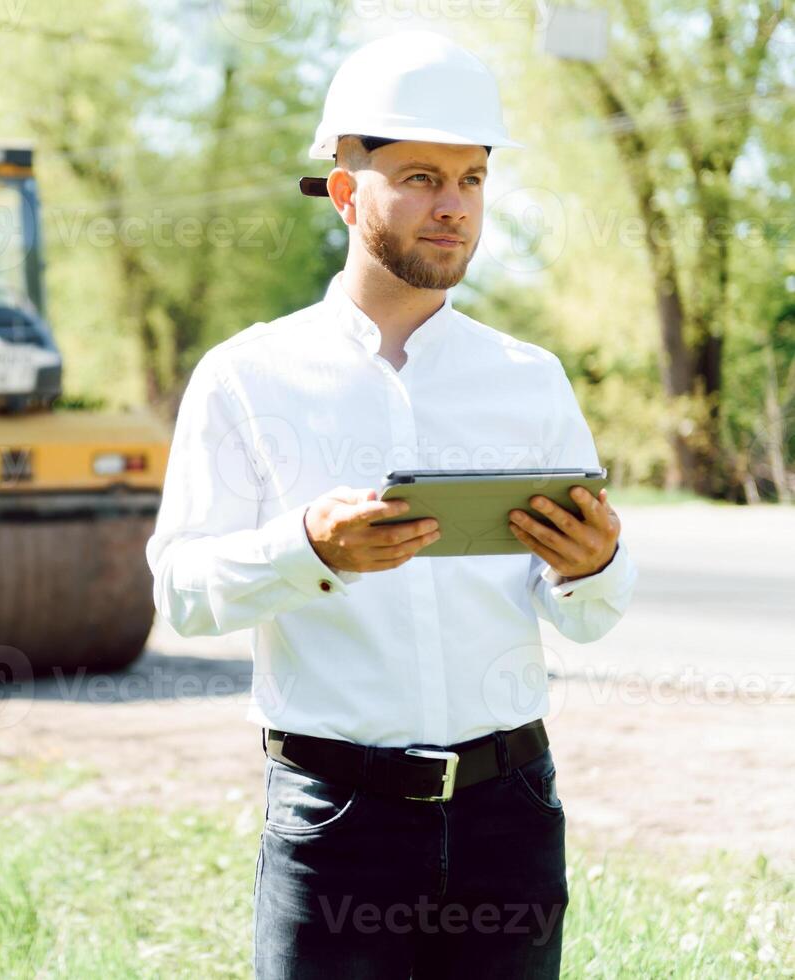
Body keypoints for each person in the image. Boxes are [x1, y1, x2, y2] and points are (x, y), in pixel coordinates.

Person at [145, 31, 638, 979]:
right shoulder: (246, 378)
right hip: (336, 828)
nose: (452, 207)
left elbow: (589, 618)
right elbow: (183, 595)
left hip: (511, 817)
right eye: (419, 176)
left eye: (472, 179)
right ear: (343, 190)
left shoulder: (531, 382)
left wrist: (593, 568)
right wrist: (307, 549)